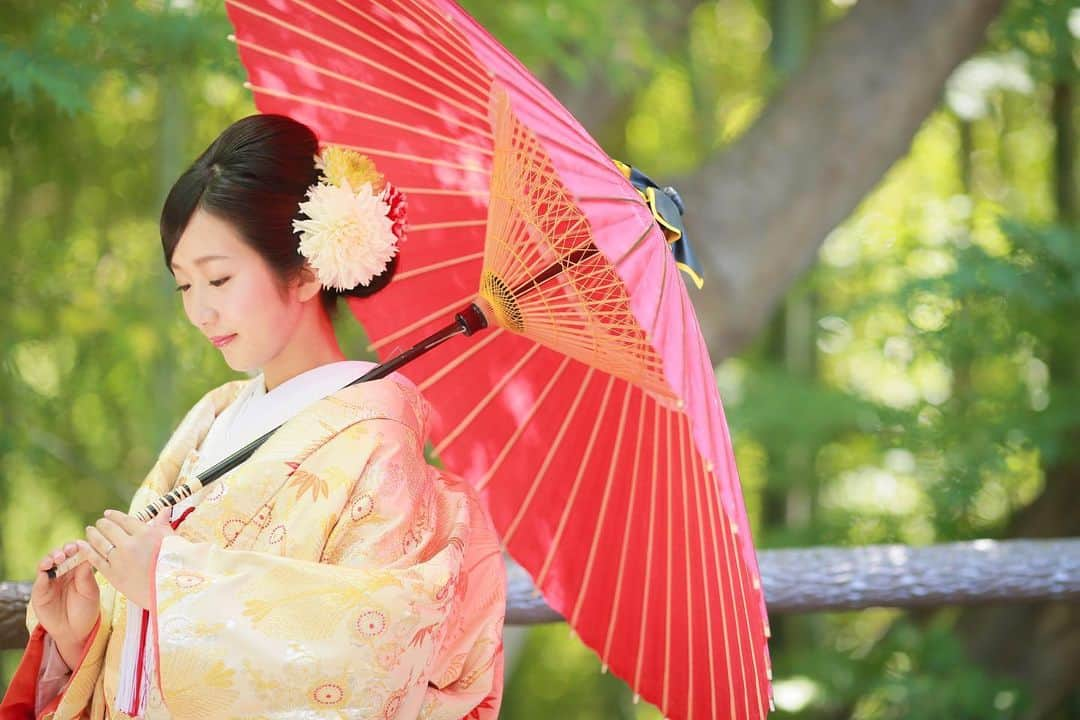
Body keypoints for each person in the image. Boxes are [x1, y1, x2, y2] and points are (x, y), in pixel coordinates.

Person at [0, 114, 506, 719]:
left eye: (218, 278)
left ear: (307, 270)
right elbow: (143, 636)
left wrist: (173, 582)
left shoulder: (376, 440)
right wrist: (82, 633)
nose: (201, 311)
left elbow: (374, 655)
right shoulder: (213, 416)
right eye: (185, 286)